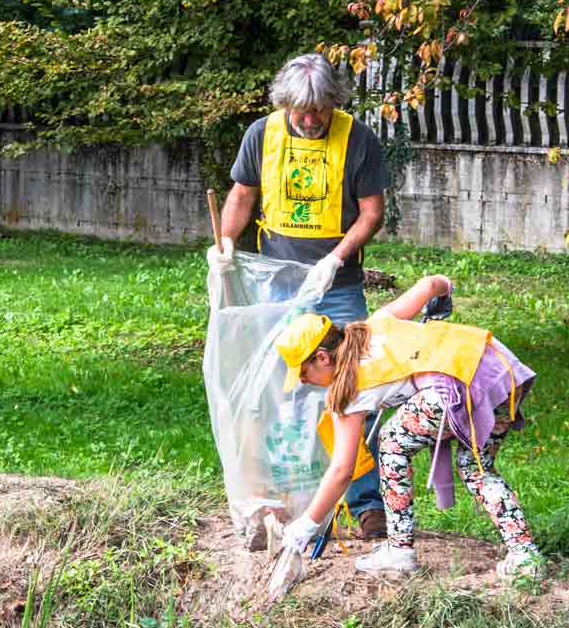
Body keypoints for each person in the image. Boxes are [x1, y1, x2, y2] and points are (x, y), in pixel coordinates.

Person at [213, 52, 391, 538]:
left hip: (339, 288)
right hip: (278, 284)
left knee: (353, 389)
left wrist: (336, 260)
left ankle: (367, 504)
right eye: (301, 111)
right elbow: (242, 195)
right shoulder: (263, 134)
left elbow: (371, 213)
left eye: (320, 110)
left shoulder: (358, 138)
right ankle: (282, 500)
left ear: (334, 101)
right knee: (275, 392)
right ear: (284, 103)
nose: (311, 120)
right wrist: (227, 243)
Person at [271, 275, 543, 578]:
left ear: (322, 357)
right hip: (500, 370)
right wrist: (444, 292)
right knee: (476, 468)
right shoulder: (374, 324)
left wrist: (305, 525)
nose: (303, 381)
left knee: (390, 445)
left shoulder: (348, 392)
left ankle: (399, 552)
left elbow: (341, 471)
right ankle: (525, 555)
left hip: (459, 386)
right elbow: (429, 285)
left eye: (303, 372)